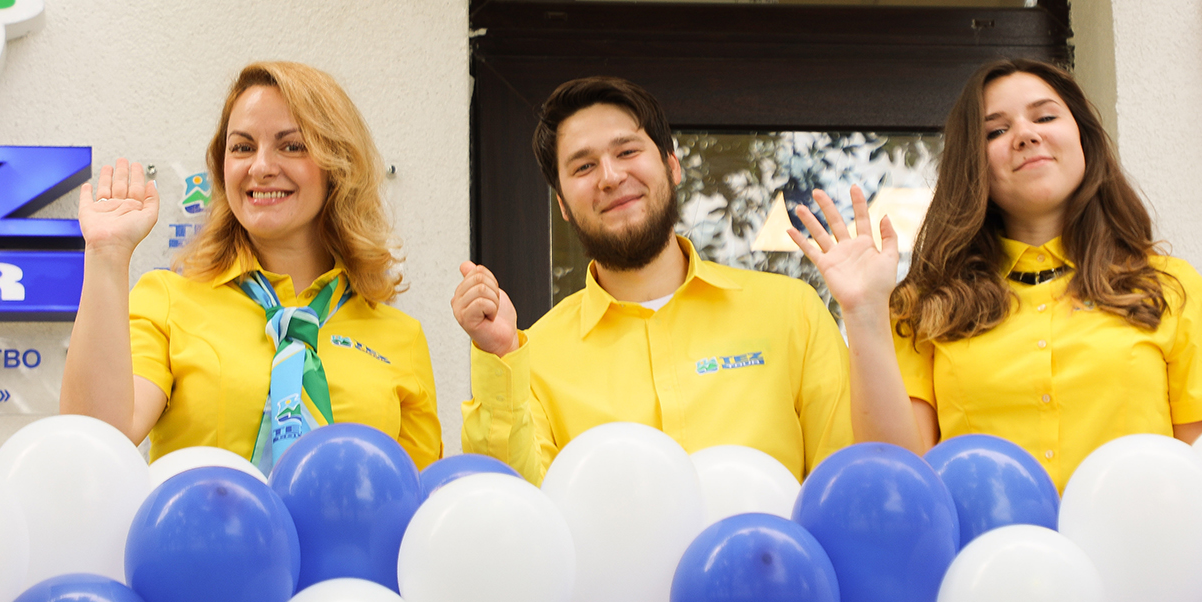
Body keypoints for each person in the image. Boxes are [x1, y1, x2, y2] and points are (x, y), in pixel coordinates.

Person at [791, 57, 1202, 490]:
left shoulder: (1169, 287)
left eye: (1045, 117)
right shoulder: (925, 305)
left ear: (1083, 137)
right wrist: (865, 311)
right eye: (996, 131)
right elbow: (900, 481)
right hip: (983, 543)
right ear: (973, 164)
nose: (1025, 135)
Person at [453, 76, 851, 485]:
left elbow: (847, 485)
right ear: (563, 205)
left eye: (627, 151)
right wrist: (499, 355)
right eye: (584, 166)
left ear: (672, 165)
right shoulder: (533, 359)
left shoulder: (792, 312)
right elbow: (515, 501)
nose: (610, 176)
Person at [61, 61, 440, 472]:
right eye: (242, 147)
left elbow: (417, 498)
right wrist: (107, 255)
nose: (260, 167)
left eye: (291, 146)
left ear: (338, 164)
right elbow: (96, 441)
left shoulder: (402, 338)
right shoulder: (167, 302)